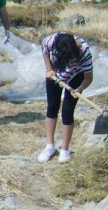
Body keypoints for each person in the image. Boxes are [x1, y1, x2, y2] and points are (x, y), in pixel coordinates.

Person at [37, 32, 94, 164]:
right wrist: (49, 68)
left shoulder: (83, 51)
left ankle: (65, 149)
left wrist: (79, 88)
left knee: (67, 111)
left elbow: (88, 77)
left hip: (76, 76)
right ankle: (49, 146)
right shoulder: (52, 41)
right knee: (52, 107)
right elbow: (44, 49)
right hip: (55, 73)